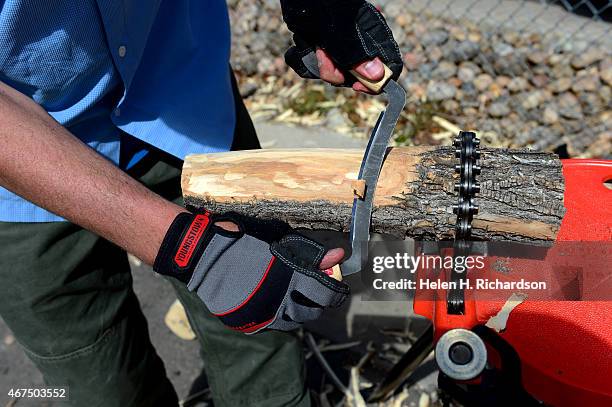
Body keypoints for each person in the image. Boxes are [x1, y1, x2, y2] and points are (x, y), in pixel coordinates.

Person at [0, 0, 402, 405]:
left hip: (186, 96)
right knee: (102, 384)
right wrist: (191, 249)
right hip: (20, 171)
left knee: (263, 349)